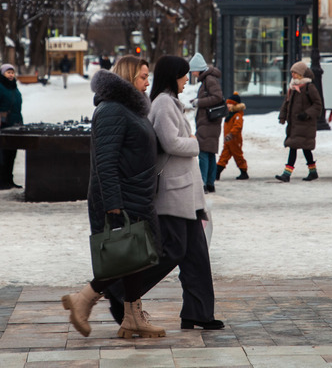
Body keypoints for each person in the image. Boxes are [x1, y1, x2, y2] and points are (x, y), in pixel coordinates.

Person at [105, 56, 224, 331]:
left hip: (186, 192)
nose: (187, 80)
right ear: (174, 76)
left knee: (197, 256)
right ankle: (120, 289)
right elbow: (169, 142)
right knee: (173, 251)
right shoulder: (163, 103)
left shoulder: (168, 102)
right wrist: (194, 144)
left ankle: (199, 313)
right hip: (173, 193)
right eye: (184, 75)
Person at [61, 61, 165, 340]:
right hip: (120, 197)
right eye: (143, 76)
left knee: (136, 257)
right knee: (125, 256)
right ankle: (83, 299)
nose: (147, 81)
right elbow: (104, 162)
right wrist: (113, 203)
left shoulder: (132, 109)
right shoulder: (111, 110)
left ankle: (132, 318)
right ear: (130, 77)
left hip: (137, 194)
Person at [275, 61, 323, 182]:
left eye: (295, 72)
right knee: (302, 148)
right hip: (295, 124)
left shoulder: (309, 87)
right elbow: (286, 103)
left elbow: (318, 105)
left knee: (296, 147)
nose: (293, 74)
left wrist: (306, 114)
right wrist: (282, 116)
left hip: (305, 125)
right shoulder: (293, 87)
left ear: (301, 74)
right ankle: (313, 172)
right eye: (292, 72)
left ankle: (287, 174)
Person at [188, 52, 224, 193]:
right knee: (209, 153)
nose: (193, 74)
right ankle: (210, 183)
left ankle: (203, 183)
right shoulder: (209, 79)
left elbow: (217, 97)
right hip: (210, 121)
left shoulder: (209, 79)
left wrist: (199, 102)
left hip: (209, 122)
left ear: (198, 68)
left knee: (203, 152)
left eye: (193, 71)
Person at [0, 64, 23, 190]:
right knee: (3, 155)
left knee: (11, 153)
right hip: (3, 125)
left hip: (15, 124)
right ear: (3, 73)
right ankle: (3, 181)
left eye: (12, 72)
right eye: (8, 72)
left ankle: (9, 180)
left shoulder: (14, 86)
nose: (11, 75)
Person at [215, 92, 248, 180]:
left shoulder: (237, 116)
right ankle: (217, 172)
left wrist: (231, 134)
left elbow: (237, 127)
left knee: (238, 156)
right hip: (228, 140)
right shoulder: (228, 115)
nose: (228, 105)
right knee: (224, 156)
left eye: (231, 104)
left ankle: (244, 172)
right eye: (228, 103)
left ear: (236, 105)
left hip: (235, 140)